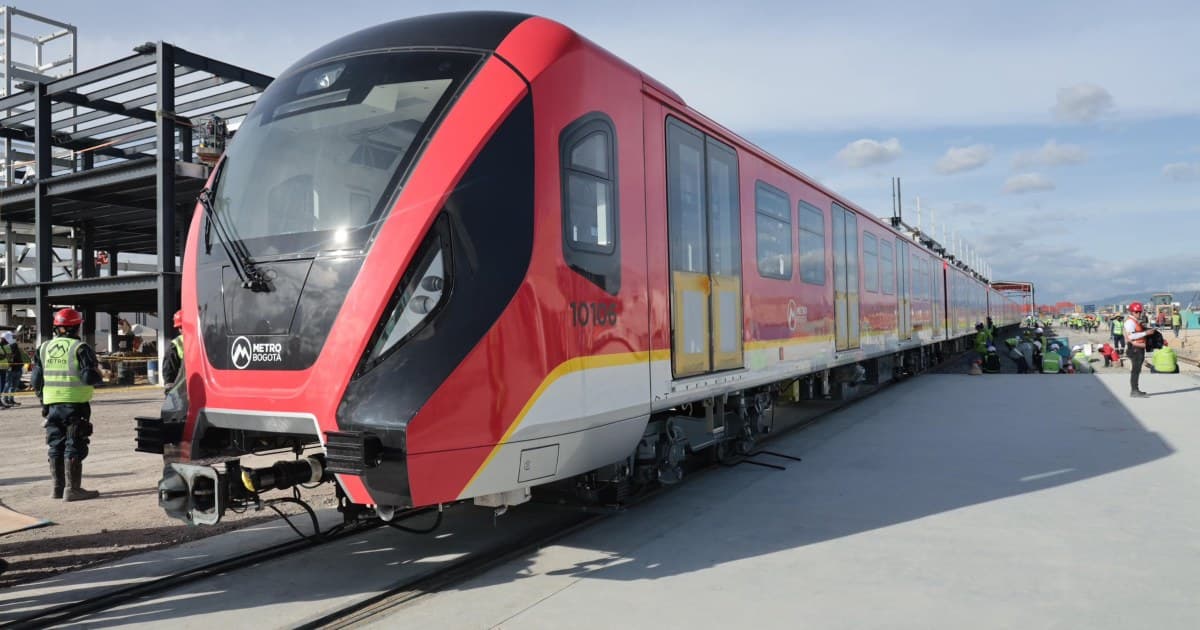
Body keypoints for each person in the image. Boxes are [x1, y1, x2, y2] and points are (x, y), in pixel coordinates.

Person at [33, 308, 104, 501]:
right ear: (77, 327)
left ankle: (57, 489)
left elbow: (36, 380)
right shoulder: (80, 348)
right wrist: (100, 375)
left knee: (55, 443)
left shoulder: (44, 348)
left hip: (52, 405)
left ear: (56, 327)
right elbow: (89, 377)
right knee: (74, 443)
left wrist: (44, 403)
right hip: (75, 404)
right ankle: (72, 490)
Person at [1124, 302, 1152, 398]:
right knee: (1135, 370)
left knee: (1137, 370)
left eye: (1140, 312)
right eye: (1136, 312)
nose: (1139, 313)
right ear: (1132, 312)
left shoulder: (1135, 321)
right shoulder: (1130, 322)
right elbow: (1131, 336)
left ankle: (1136, 389)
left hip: (1138, 348)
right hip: (1135, 349)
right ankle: (1134, 391)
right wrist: (1146, 333)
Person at [162, 310, 184, 390]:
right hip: (183, 389)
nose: (180, 330)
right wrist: (169, 390)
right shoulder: (176, 344)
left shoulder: (203, 341)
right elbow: (169, 373)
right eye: (180, 327)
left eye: (181, 327)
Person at [3, 331, 24, 407]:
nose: (16, 338)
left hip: (17, 368)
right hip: (11, 369)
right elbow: (9, 358)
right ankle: (5, 399)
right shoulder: (7, 347)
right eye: (14, 337)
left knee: (13, 386)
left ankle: (10, 399)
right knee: (8, 385)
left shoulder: (15, 346)